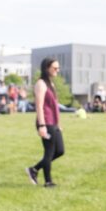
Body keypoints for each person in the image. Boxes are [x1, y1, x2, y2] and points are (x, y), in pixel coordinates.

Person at [26, 58, 64, 187]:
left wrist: (58, 123)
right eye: (55, 68)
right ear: (47, 68)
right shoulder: (41, 84)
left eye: (58, 68)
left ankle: (34, 169)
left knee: (60, 151)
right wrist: (42, 125)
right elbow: (39, 106)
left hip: (53, 122)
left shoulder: (51, 84)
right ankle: (48, 182)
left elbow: (54, 106)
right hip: (46, 122)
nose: (57, 70)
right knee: (49, 152)